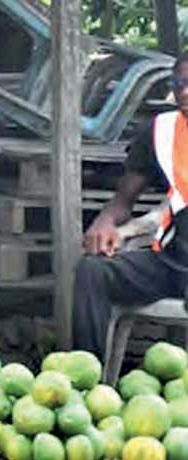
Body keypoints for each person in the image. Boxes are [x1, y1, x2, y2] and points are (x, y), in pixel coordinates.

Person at [73, 53, 188, 358]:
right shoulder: (160, 131)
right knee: (93, 271)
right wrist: (106, 222)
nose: (185, 91)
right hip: (173, 262)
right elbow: (122, 201)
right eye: (180, 83)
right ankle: (86, 382)